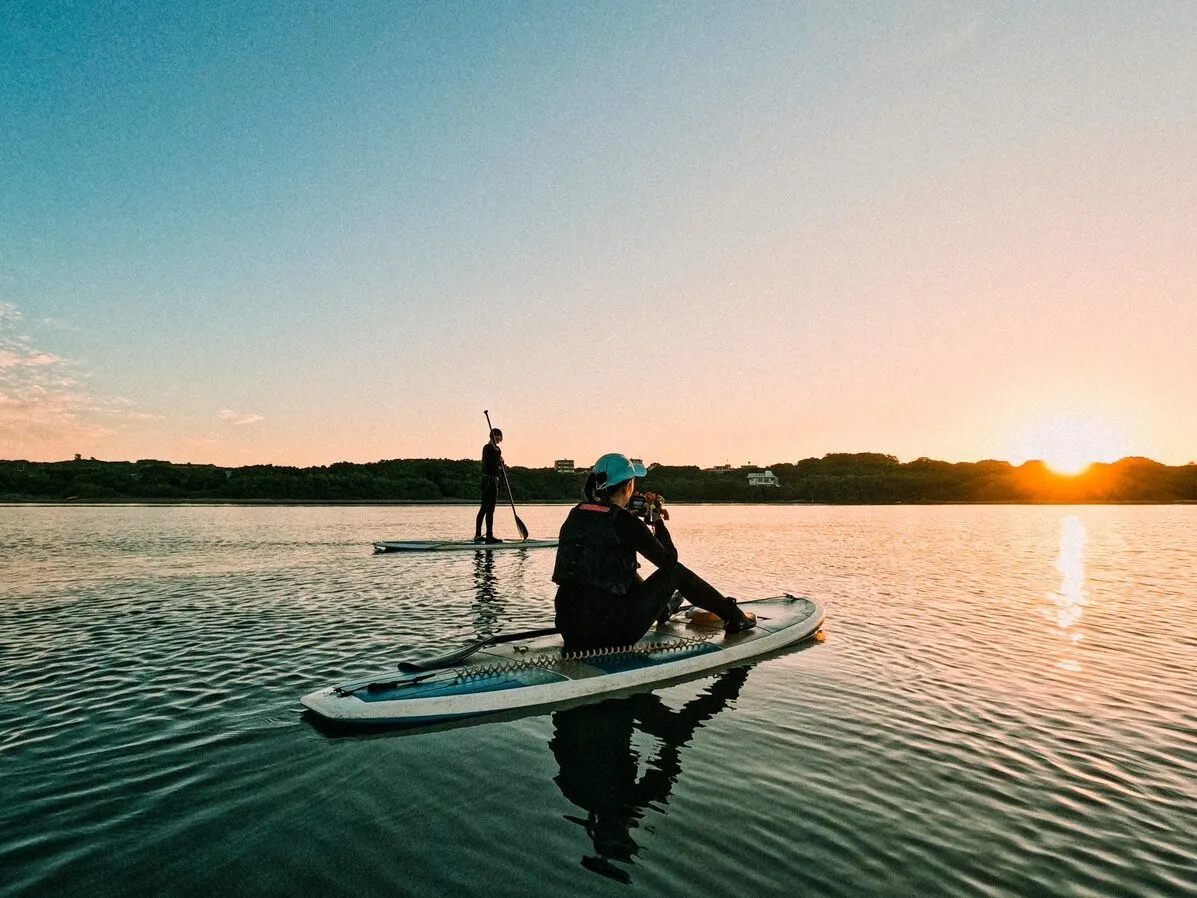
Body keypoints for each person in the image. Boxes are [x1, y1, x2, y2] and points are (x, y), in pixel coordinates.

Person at [552, 453, 755, 652]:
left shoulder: (576, 513)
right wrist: (657, 520)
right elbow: (669, 562)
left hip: (570, 629)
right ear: (627, 485)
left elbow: (602, 550)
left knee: (622, 568)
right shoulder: (624, 522)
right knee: (677, 572)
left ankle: (663, 610)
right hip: (610, 633)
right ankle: (735, 617)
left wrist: (631, 521)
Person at [474, 428, 504, 544]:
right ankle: (479, 535)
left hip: (494, 481)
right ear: (492, 436)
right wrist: (498, 455)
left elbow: (497, 466)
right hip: (487, 481)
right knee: (484, 508)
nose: (499, 440)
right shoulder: (487, 448)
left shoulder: (497, 449)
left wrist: (501, 463)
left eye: (499, 438)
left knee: (491, 510)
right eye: (497, 437)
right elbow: (490, 462)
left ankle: (489, 535)